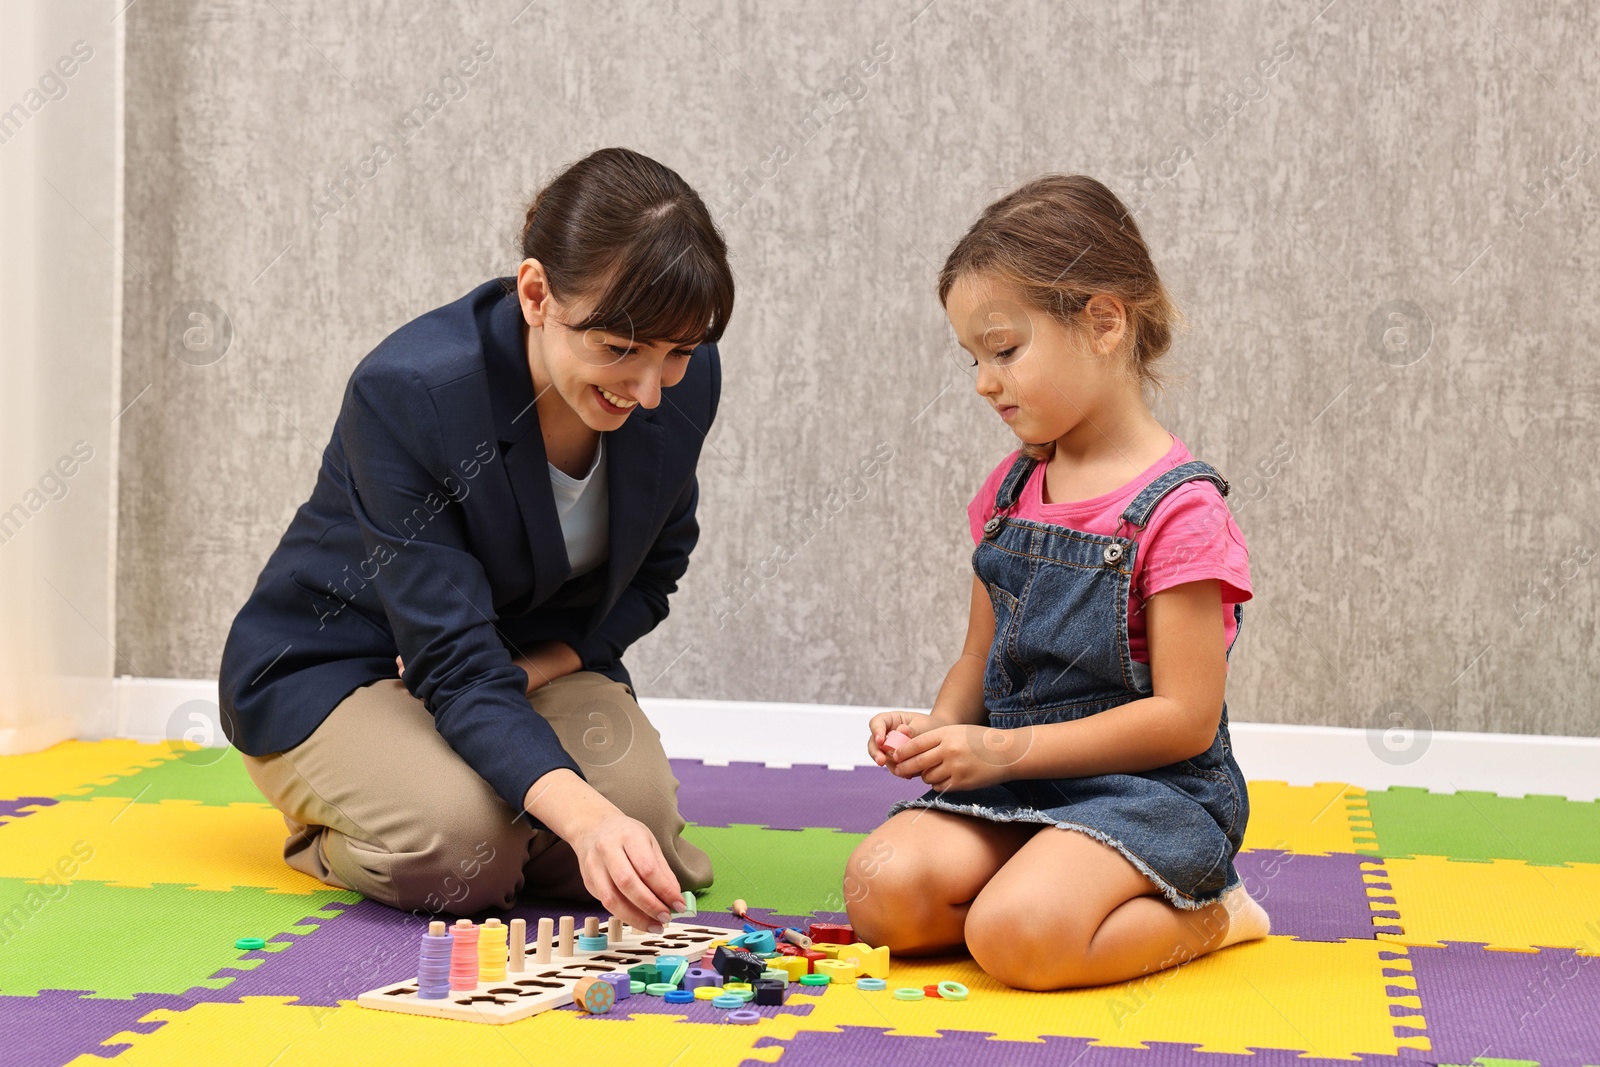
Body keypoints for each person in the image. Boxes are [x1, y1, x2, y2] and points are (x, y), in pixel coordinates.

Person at [218, 147, 734, 930]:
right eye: (620, 350)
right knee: (466, 853)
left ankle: (484, 788)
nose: (651, 390)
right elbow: (451, 659)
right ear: (536, 294)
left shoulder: (679, 371)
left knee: (639, 821)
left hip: (515, 660)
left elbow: (652, 575)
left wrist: (544, 665)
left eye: (676, 354)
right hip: (343, 663)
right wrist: (582, 819)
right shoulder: (412, 392)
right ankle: (332, 830)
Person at [845, 174, 1271, 990]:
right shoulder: (1011, 493)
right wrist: (940, 735)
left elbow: (1185, 719)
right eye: (973, 358)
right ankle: (1044, 889)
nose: (982, 381)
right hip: (1020, 779)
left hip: (1151, 794)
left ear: (1104, 320)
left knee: (1020, 937)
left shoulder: (1179, 512)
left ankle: (1216, 912)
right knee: (883, 894)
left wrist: (1004, 747)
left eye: (1004, 351)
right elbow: (978, 658)